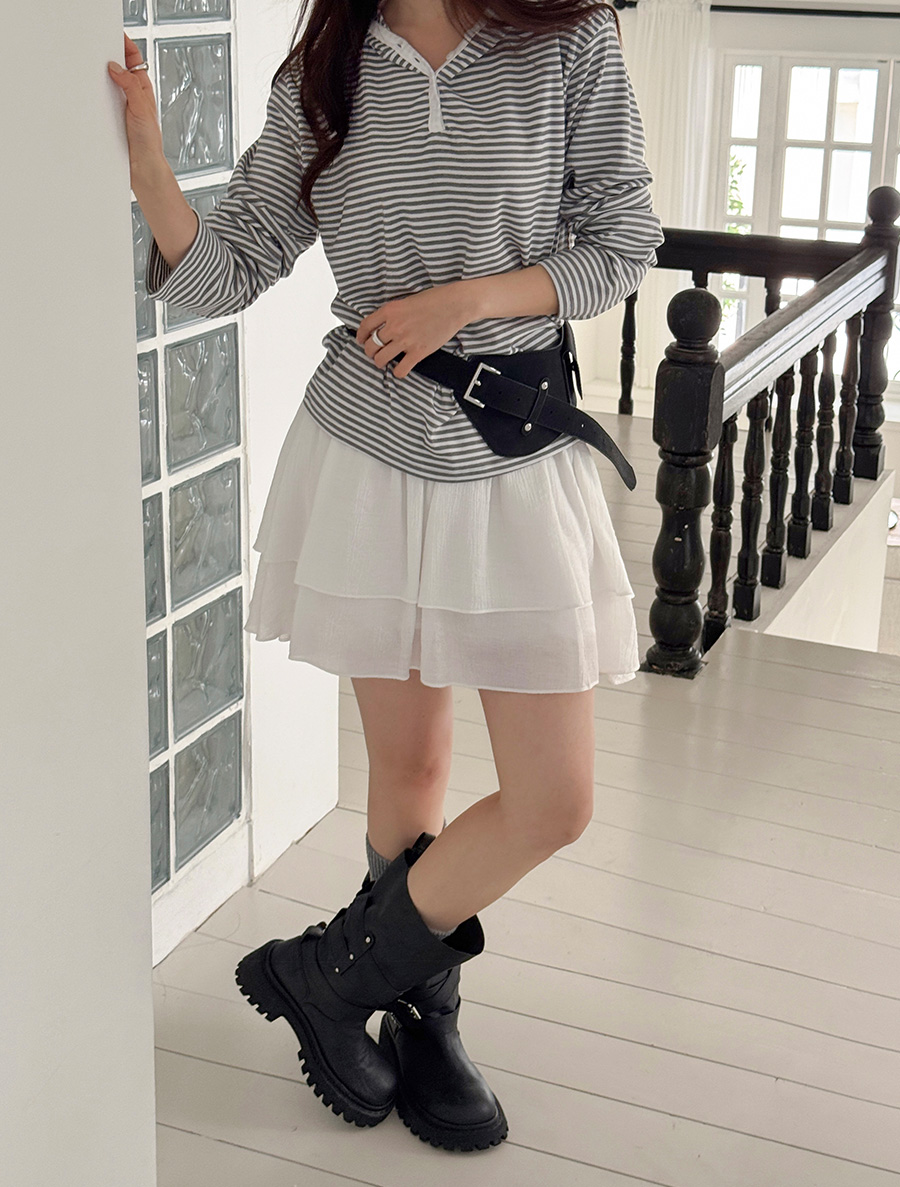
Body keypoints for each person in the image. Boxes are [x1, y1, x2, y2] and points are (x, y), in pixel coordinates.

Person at [110, 0, 664, 1155]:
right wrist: (151, 164)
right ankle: (423, 1015)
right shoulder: (325, 65)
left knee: (554, 798)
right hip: (368, 451)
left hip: (511, 449)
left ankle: (330, 971)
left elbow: (621, 242)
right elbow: (231, 268)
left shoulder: (569, 38)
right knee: (410, 767)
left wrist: (468, 299)